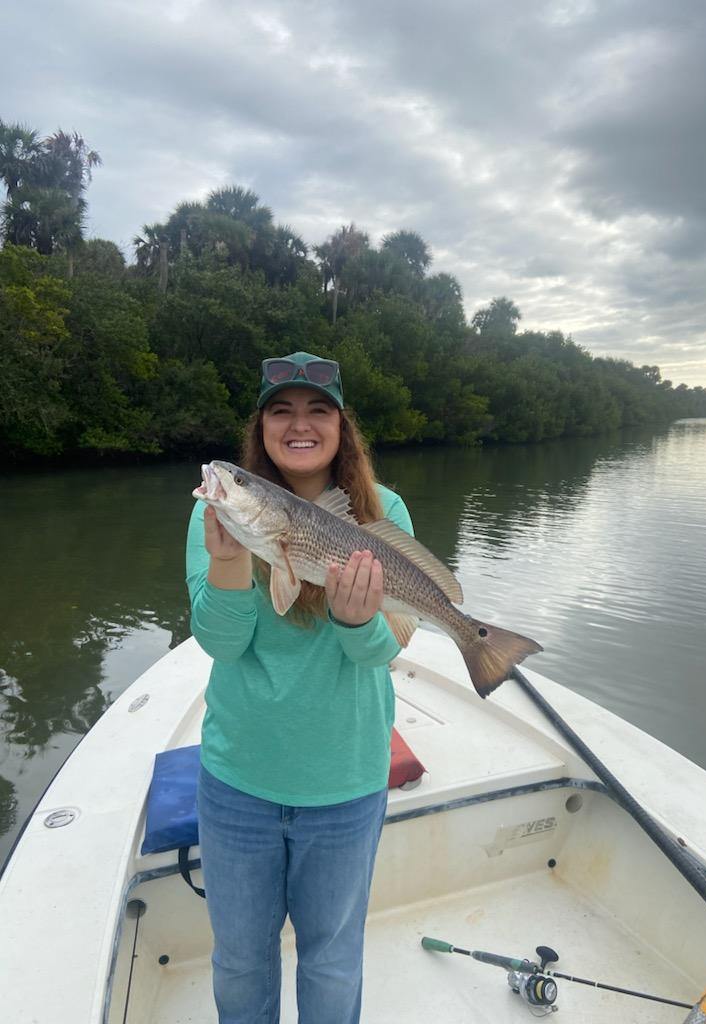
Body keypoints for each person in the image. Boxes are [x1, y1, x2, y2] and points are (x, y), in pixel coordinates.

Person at [185, 351, 414, 1024]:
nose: (299, 424)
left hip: (344, 780)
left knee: (333, 959)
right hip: (239, 780)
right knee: (239, 959)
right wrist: (229, 561)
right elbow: (223, 645)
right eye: (280, 410)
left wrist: (354, 619)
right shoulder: (218, 511)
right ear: (261, 428)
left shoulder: (383, 510)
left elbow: (385, 647)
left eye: (318, 410)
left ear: (342, 428)